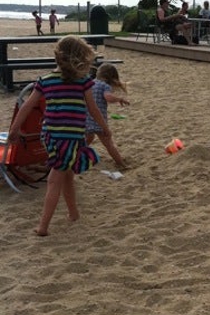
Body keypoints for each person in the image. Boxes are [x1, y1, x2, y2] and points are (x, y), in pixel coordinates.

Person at [7, 35, 110, 236]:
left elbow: (27, 105)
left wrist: (14, 129)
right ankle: (44, 226)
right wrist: (104, 127)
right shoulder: (83, 82)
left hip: (51, 138)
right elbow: (93, 109)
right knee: (56, 179)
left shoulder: (45, 80)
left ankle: (73, 214)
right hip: (70, 139)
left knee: (67, 175)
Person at [85, 63, 129, 168]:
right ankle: (120, 163)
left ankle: (76, 156)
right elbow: (108, 97)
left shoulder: (90, 83)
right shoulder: (105, 86)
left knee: (87, 139)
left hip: (87, 119)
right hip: (99, 121)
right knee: (109, 144)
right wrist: (119, 99)